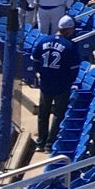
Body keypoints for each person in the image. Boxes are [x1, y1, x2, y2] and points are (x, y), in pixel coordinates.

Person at [30, 19, 83, 151]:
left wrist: (41, 74)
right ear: (69, 29)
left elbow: (34, 60)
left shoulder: (43, 40)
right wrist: (69, 81)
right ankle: (50, 144)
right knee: (59, 114)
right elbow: (74, 70)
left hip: (46, 82)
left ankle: (40, 142)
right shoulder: (70, 46)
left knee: (43, 113)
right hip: (62, 84)